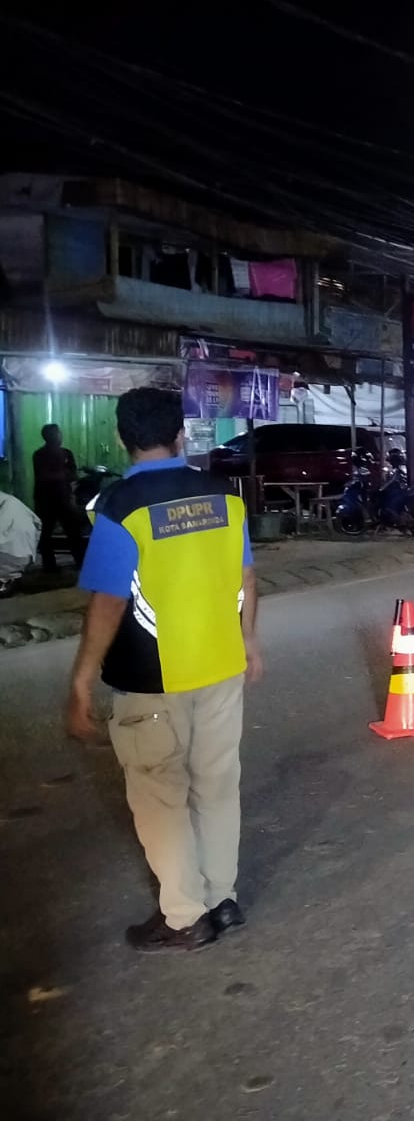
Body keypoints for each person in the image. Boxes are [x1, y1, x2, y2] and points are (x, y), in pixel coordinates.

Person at [63, 387, 263, 953]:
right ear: (180, 434)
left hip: (152, 682)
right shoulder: (223, 495)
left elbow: (108, 601)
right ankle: (222, 899)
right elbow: (247, 579)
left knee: (161, 796)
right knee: (218, 786)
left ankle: (184, 918)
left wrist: (82, 679)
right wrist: (249, 642)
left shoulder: (120, 506)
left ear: (121, 438)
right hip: (222, 666)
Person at [33, 424, 85, 571]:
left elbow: (73, 474)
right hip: (48, 500)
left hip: (61, 498)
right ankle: (51, 566)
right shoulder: (40, 455)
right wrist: (63, 475)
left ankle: (79, 562)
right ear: (49, 436)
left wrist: (60, 475)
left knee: (71, 531)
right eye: (57, 433)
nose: (59, 436)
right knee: (47, 533)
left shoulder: (65, 453)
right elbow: (44, 476)